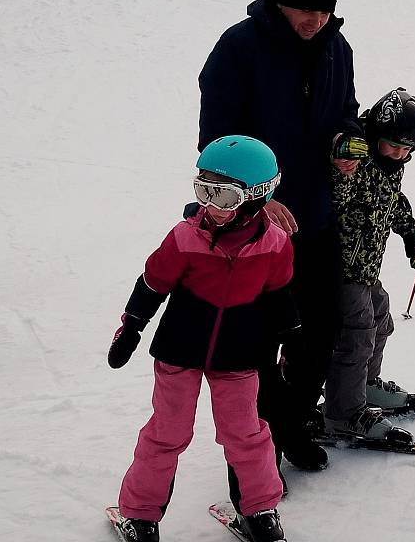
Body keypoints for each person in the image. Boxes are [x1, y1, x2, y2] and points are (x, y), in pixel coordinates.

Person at [197, 0, 362, 474]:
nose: (315, 20)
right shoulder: (239, 47)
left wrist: (346, 141)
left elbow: (347, 114)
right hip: (249, 227)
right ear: (282, 0)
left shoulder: (337, 47)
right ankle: (254, 448)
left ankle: (290, 425)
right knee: (259, 340)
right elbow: (217, 144)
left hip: (314, 216)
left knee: (323, 327)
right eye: (305, 10)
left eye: (324, 11)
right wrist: (259, 200)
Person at [107, 136, 293, 542]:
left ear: (256, 195)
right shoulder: (185, 237)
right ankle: (140, 515)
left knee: (246, 434)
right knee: (168, 432)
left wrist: (291, 340)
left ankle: (260, 512)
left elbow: (279, 296)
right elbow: (152, 283)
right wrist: (132, 326)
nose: (211, 205)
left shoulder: (275, 244)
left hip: (239, 356)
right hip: (179, 351)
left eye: (222, 196)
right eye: (203, 190)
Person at [323, 88, 415, 441]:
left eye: (407, 150)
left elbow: (392, 202)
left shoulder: (389, 166)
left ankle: (364, 387)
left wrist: (410, 233)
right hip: (340, 268)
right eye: (394, 145)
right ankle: (343, 412)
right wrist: (342, 171)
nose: (399, 155)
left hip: (365, 268)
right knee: (357, 335)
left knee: (380, 319)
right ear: (375, 135)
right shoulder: (356, 159)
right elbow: (335, 203)